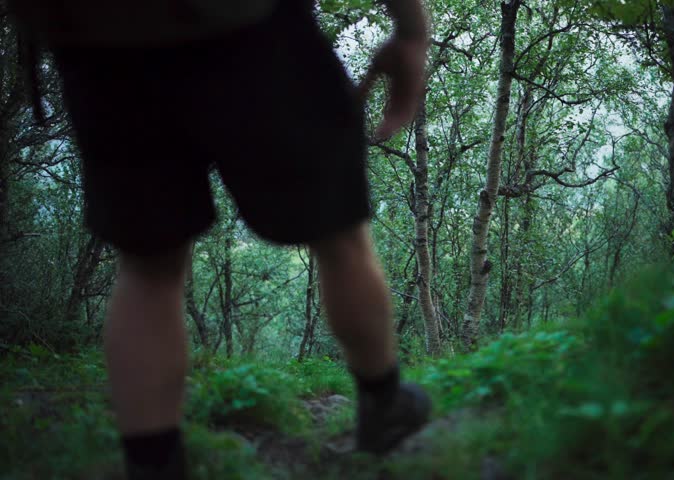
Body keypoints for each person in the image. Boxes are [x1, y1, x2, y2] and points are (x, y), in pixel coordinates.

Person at [10, 0, 432, 478]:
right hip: (250, 29)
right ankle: (384, 401)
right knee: (339, 233)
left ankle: (153, 466)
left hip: (103, 49)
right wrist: (411, 28)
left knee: (148, 266)